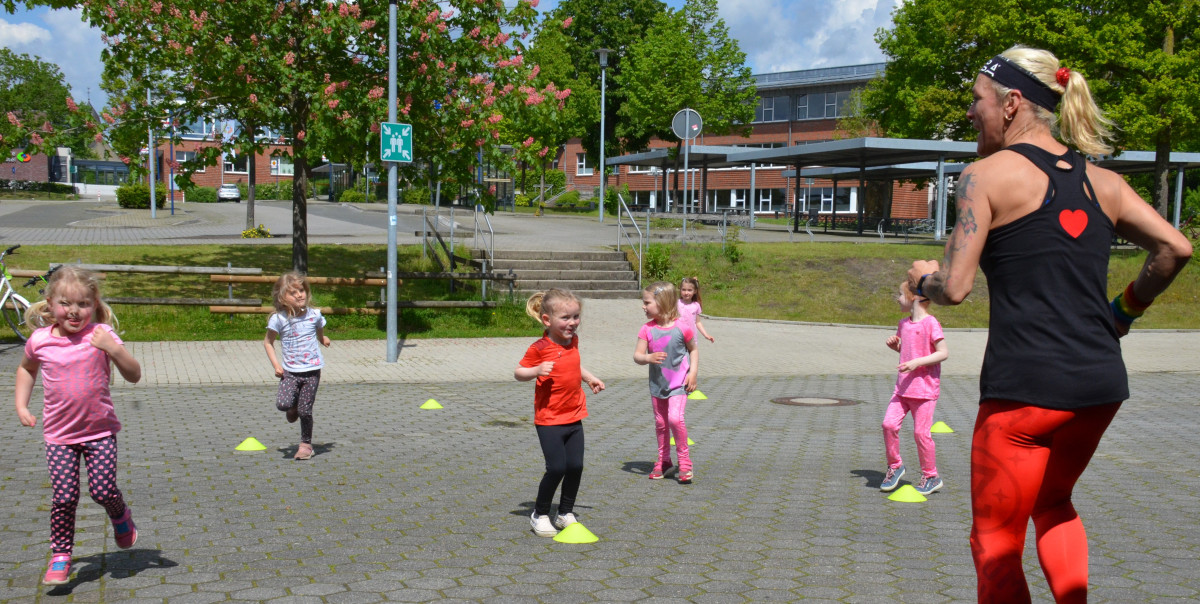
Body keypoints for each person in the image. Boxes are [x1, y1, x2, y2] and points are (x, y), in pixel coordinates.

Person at [907, 45, 1193, 603]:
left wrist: (923, 280)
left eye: (976, 101)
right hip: (1098, 388)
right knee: (1054, 503)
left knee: (994, 541)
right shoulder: (1101, 182)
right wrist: (1122, 312)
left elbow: (957, 288)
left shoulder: (984, 176)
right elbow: (1174, 247)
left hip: (1023, 397)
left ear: (1012, 103)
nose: (971, 114)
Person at [13, 266, 142, 585]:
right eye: (65, 303)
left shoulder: (102, 335)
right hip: (59, 436)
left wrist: (113, 348)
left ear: (94, 302)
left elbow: (134, 374)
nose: (74, 311)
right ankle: (60, 555)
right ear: (51, 302)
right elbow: (26, 370)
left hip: (100, 433)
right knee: (64, 496)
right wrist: (20, 405)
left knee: (102, 490)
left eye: (83, 304)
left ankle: (120, 514)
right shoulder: (40, 340)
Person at [515, 289, 605, 537]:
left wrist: (589, 377)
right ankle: (540, 513)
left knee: (575, 466)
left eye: (576, 317)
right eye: (565, 318)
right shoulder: (540, 347)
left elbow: (573, 363)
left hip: (574, 415)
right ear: (547, 320)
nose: (572, 323)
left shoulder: (572, 341)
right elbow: (519, 372)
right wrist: (537, 370)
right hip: (549, 419)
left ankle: (565, 513)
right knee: (556, 468)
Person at [880, 281, 948, 496]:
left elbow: (943, 353)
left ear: (914, 298)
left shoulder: (931, 323)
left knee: (921, 433)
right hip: (902, 389)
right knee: (888, 425)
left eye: (900, 294)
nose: (897, 298)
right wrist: (896, 347)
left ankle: (931, 476)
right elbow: (908, 350)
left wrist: (918, 362)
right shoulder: (904, 324)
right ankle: (895, 466)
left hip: (925, 391)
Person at [635, 281, 699, 483]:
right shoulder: (647, 329)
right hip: (657, 385)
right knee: (661, 423)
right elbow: (637, 355)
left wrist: (693, 373)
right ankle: (664, 461)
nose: (644, 307)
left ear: (662, 302)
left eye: (647, 302)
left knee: (674, 419)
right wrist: (647, 358)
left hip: (679, 384)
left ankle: (685, 462)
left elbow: (693, 350)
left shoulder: (682, 327)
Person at [263, 271, 331, 461]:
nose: (300, 295)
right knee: (283, 404)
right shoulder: (279, 319)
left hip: (312, 371)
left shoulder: (314, 314)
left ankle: (306, 445)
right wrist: (276, 365)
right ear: (282, 297)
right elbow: (268, 342)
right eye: (293, 293)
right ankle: (292, 407)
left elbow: (319, 326)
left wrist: (322, 338)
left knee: (305, 411)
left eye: (301, 290)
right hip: (290, 372)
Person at [677, 276, 715, 343]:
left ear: (695, 291)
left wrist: (706, 335)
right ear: (680, 290)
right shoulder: (676, 303)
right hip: (677, 336)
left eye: (689, 290)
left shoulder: (696, 305)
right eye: (683, 289)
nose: (686, 293)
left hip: (691, 338)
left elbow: (698, 322)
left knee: (693, 352)